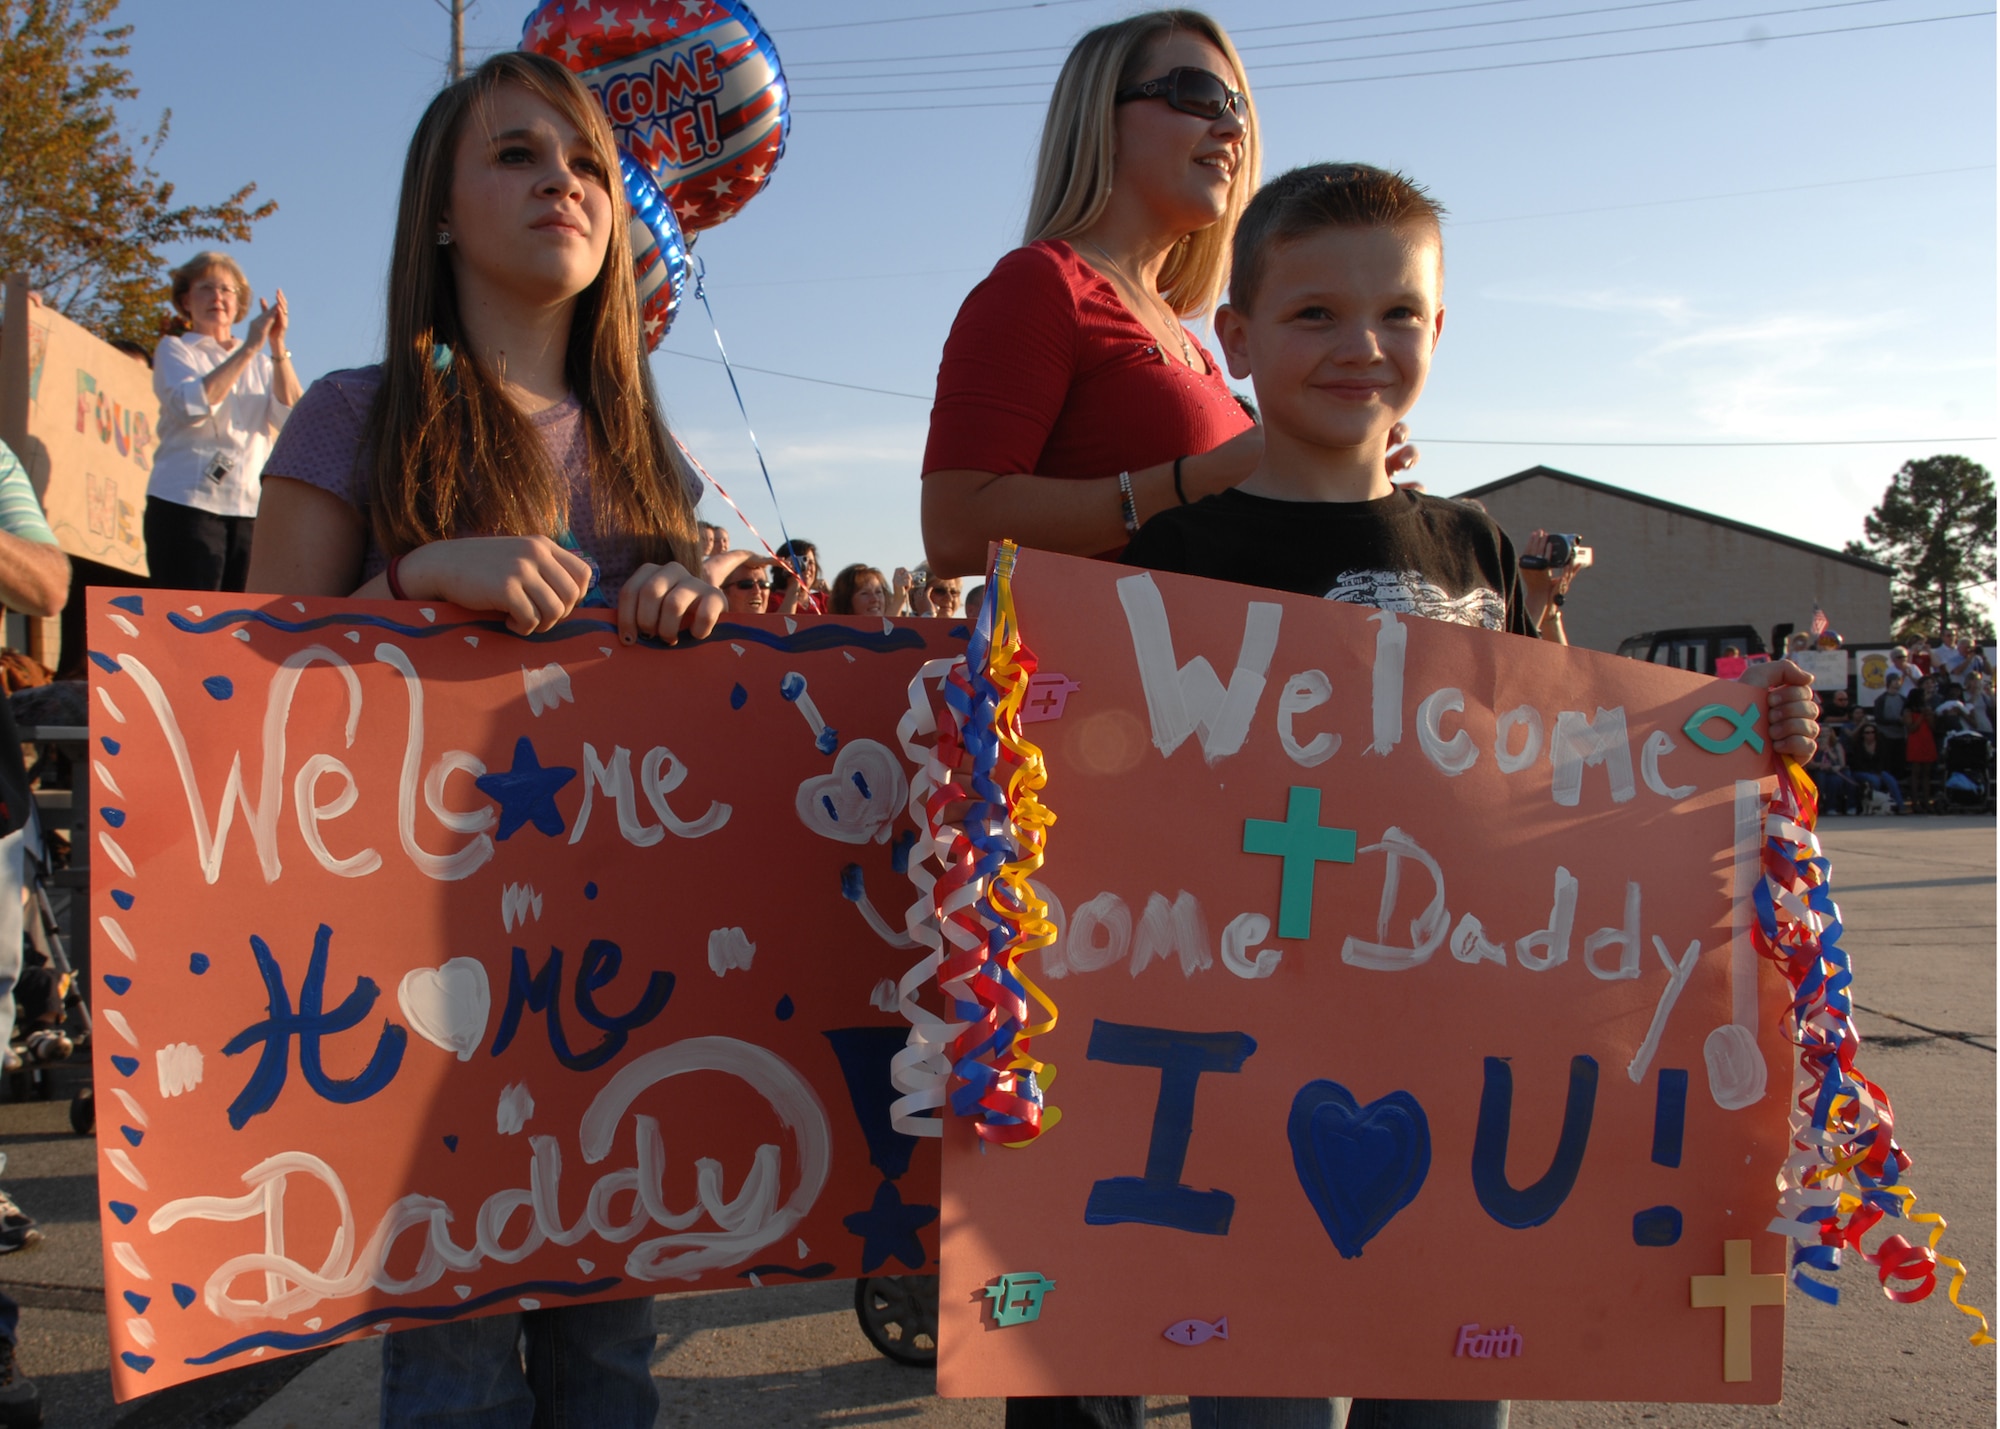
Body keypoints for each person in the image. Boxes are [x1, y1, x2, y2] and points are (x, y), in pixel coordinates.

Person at [1120, 160, 1820, 1429]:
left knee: (1447, 1395)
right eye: (1313, 313)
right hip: (1256, 1063)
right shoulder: (1176, 560)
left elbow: (1571, 775)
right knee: (1261, 1398)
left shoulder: (1475, 549)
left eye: (1397, 313)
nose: (1360, 346)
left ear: (1437, 329)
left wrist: (1749, 734)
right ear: (1234, 336)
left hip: (1468, 1064)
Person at [247, 51, 724, 1425]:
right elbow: (229, 694)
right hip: (412, 971)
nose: (564, 182)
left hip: (610, 979)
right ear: (442, 213)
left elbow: (698, 731)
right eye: (517, 154)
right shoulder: (353, 413)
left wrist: (694, 610)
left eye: (586, 161)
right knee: (450, 1362)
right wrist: (412, 585)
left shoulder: (651, 455)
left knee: (609, 1359)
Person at [919, 9, 1421, 584]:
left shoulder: (1193, 342)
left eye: (1238, 108)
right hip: (1099, 671)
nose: (1232, 129)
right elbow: (955, 533)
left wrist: (1335, 481)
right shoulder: (1040, 284)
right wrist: (1189, 481)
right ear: (1103, 117)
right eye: (1201, 95)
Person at [147, 252, 301, 591]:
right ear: (186, 299)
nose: (217, 297)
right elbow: (192, 406)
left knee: (242, 623)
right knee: (187, 619)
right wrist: (248, 348)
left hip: (250, 509)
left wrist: (276, 346)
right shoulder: (176, 350)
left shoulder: (265, 365)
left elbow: (293, 422)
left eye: (227, 290)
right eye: (206, 288)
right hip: (185, 503)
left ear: (239, 302)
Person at [1848, 722, 1905, 813]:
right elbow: (1856, 763)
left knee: (1890, 780)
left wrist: (1878, 772)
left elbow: (1884, 761)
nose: (1870, 734)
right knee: (1874, 780)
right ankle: (1874, 806)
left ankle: (1901, 806)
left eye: (1872, 732)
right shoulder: (1857, 746)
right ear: (1862, 734)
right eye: (1867, 732)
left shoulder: (1881, 745)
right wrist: (1872, 772)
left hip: (1878, 771)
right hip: (1861, 771)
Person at [1806, 728, 1862, 815]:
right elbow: (1809, 763)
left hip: (1836, 769)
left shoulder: (1837, 745)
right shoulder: (1812, 745)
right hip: (1820, 770)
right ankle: (1828, 807)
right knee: (1829, 781)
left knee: (1847, 780)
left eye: (1827, 733)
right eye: (1822, 733)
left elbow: (1841, 762)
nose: (1824, 735)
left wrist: (1829, 752)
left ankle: (1851, 806)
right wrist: (1820, 764)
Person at [768, 538, 824, 614]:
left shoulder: (822, 600)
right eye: (801, 562)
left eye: (811, 563)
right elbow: (782, 623)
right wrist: (794, 583)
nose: (806, 568)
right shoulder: (770, 600)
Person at [707, 550, 772, 614]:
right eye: (746, 585)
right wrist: (747, 555)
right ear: (723, 592)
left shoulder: (778, 623)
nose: (757, 591)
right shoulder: (711, 623)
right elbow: (707, 573)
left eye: (763, 585)